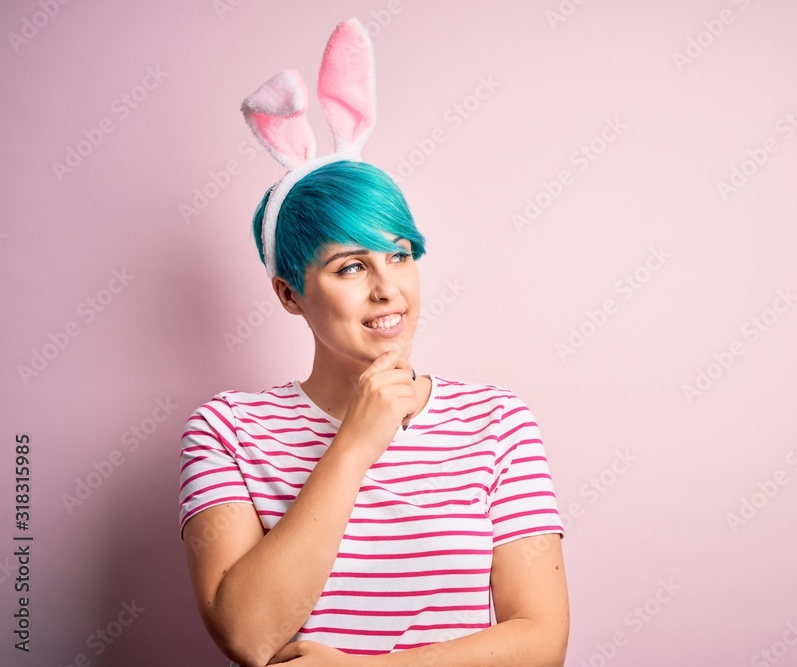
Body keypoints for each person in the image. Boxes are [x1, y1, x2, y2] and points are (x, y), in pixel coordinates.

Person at [177, 17, 568, 667]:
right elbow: (246, 633)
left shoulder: (498, 424)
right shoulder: (226, 431)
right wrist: (356, 441)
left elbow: (540, 640)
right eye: (351, 266)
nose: (388, 287)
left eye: (399, 255)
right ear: (289, 294)